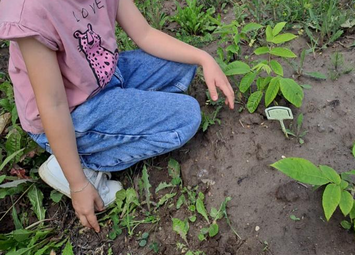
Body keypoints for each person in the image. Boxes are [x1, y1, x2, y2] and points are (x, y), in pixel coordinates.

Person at [0, 0, 234, 233]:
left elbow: (144, 34)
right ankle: (76, 166)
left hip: (105, 77)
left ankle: (115, 125)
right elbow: (53, 105)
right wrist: (78, 185)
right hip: (73, 112)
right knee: (186, 116)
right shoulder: (31, 10)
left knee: (184, 64)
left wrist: (205, 58)